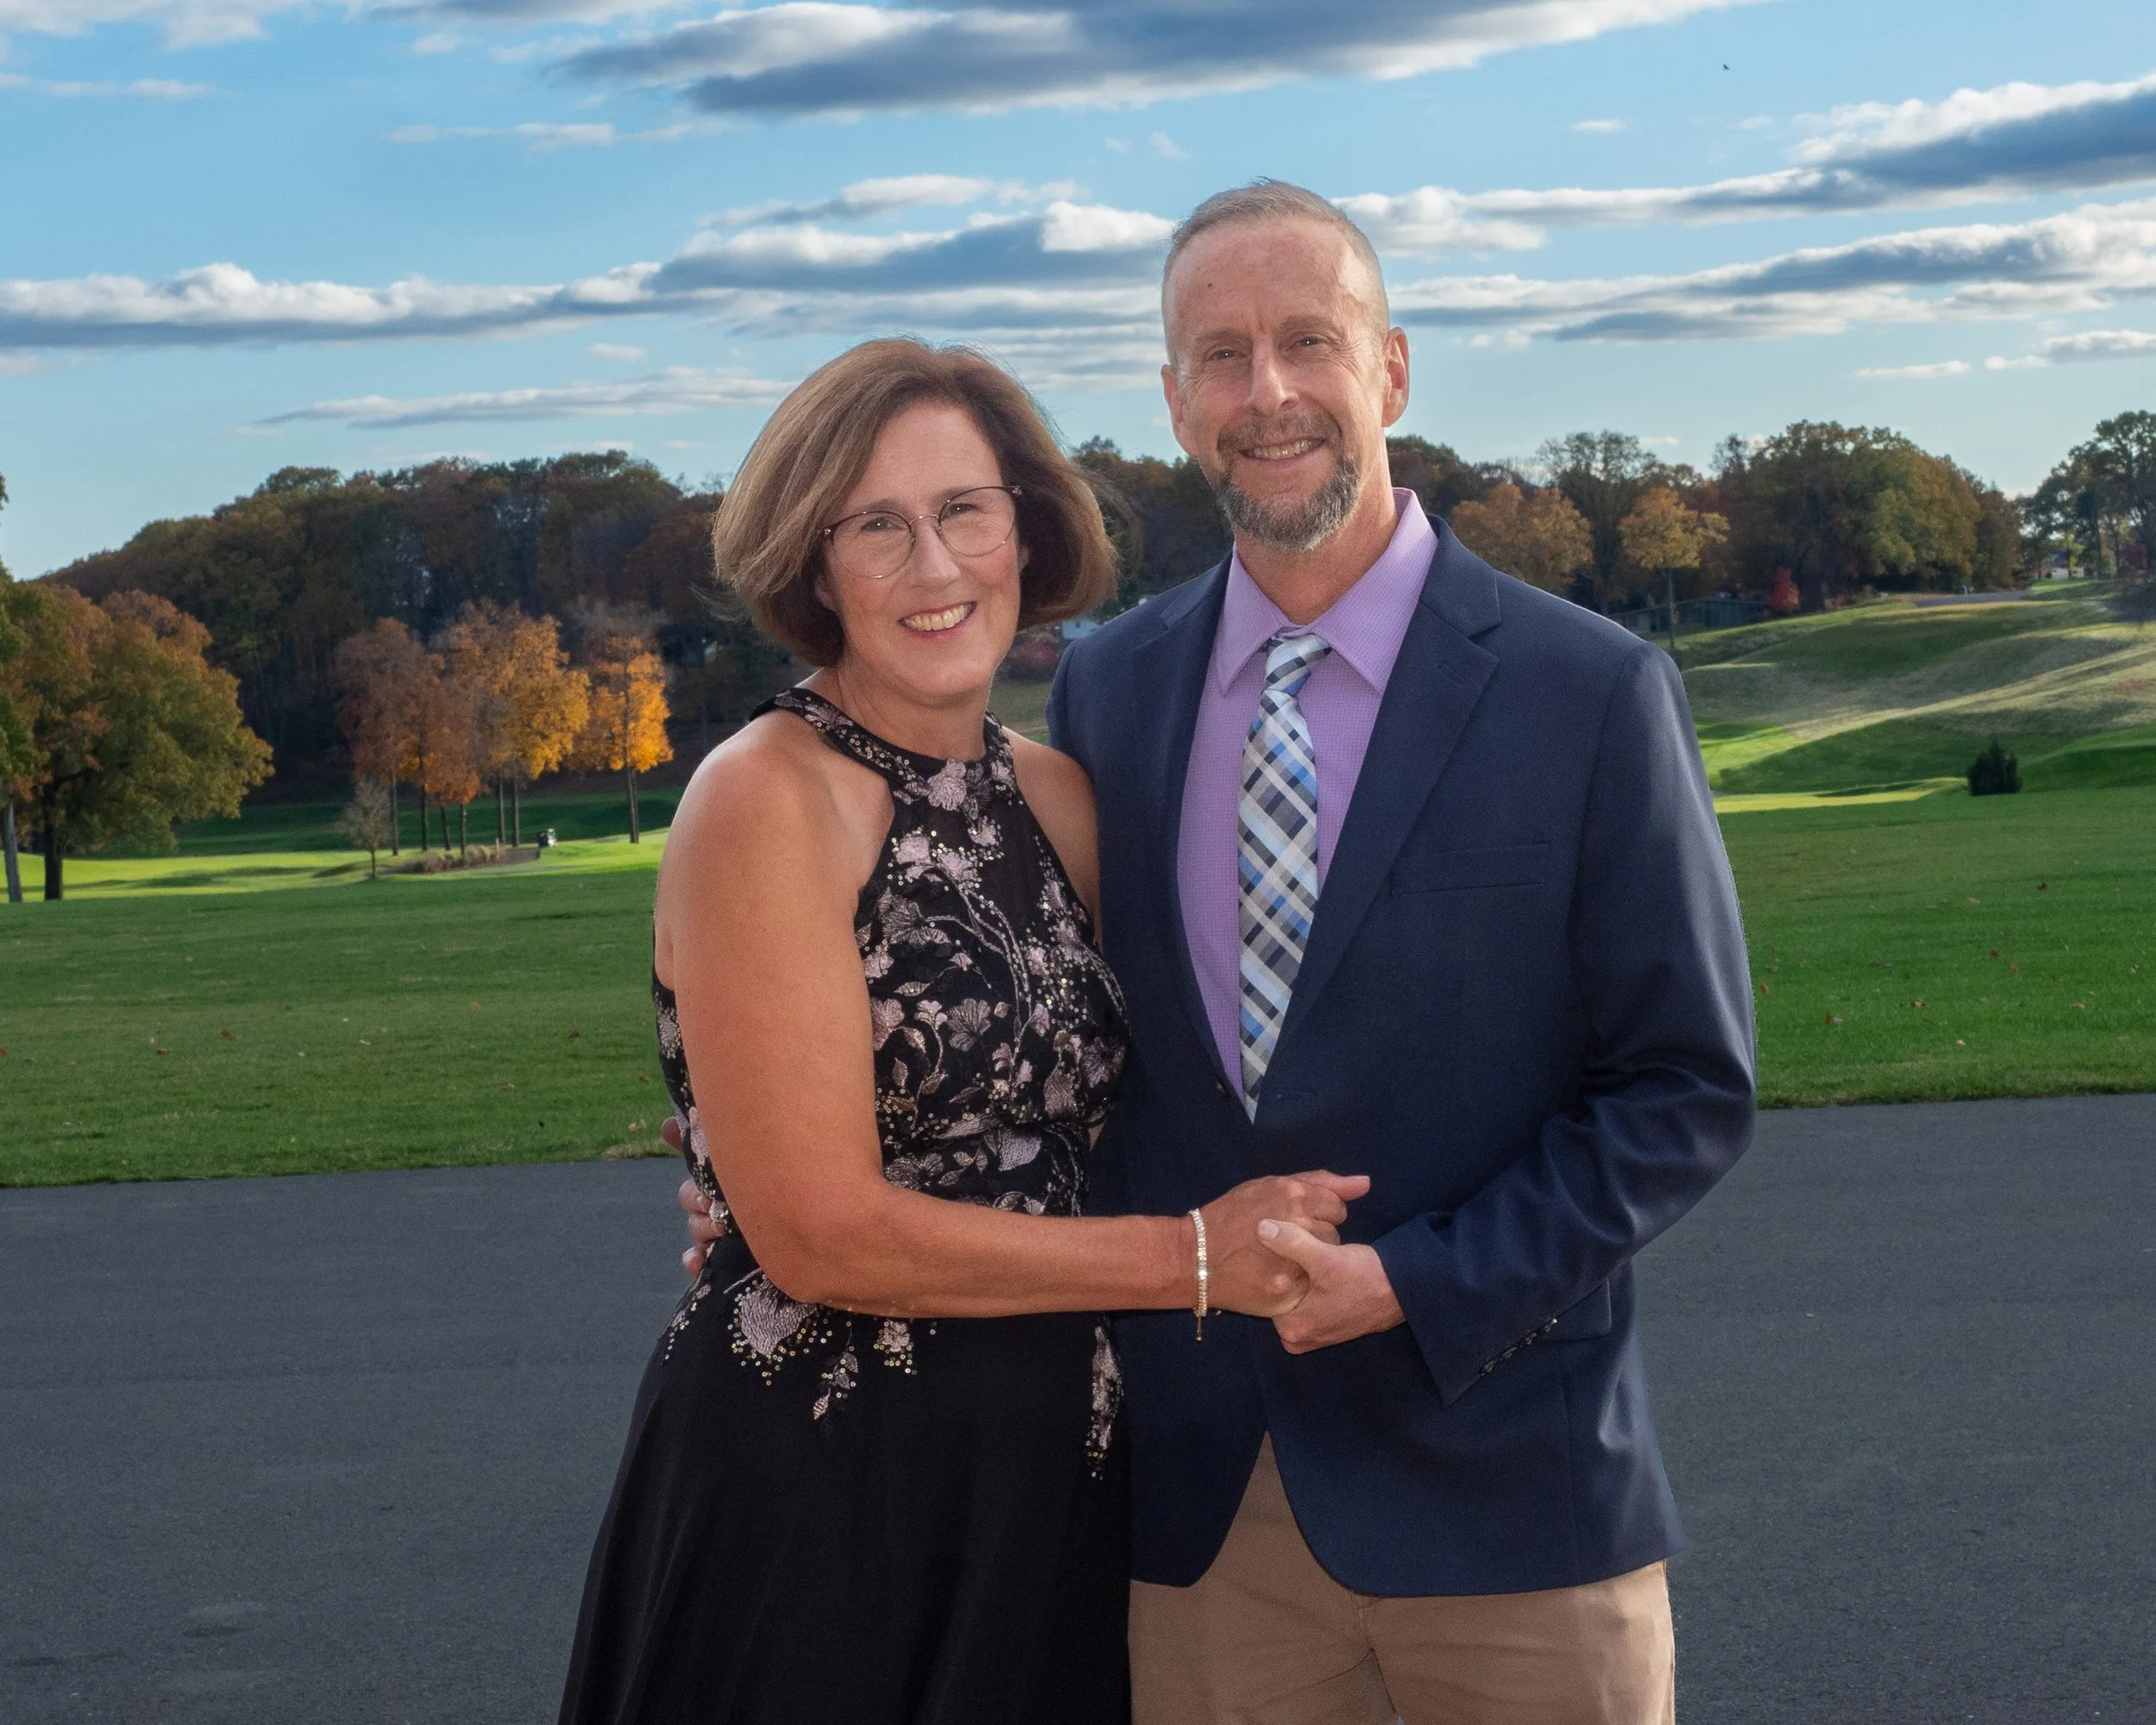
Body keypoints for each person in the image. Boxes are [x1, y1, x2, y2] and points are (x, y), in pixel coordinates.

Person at [692, 183, 1755, 1721]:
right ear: (1177, 402)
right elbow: (1054, 1040)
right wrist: (771, 1187)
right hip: (1197, 1519)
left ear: (1390, 370)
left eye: (1308, 343)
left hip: (1514, 1496)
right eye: (1221, 355)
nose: (1270, 395)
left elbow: (1686, 1091)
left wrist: (1415, 1282)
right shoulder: (1108, 699)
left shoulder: (1590, 694)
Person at [561, 336, 1364, 1725]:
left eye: (965, 512)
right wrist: (1190, 1259)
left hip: (1054, 1482)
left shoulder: (1059, 798)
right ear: (815, 568)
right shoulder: (766, 796)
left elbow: (1157, 1094)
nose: (936, 570)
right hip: (826, 1488)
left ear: (1026, 528)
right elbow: (818, 1231)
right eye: (877, 525)